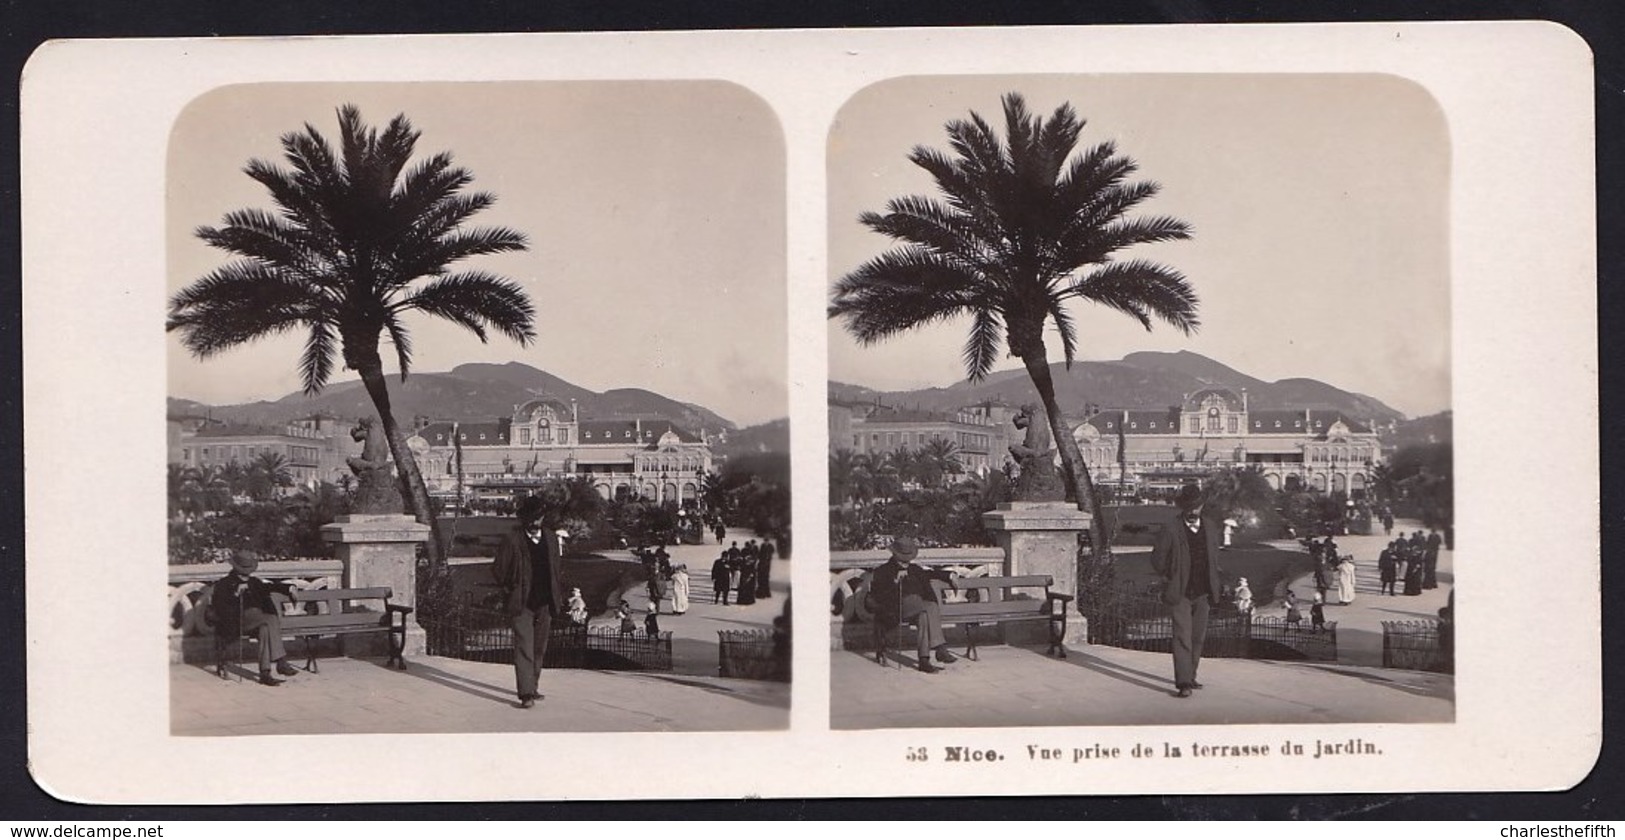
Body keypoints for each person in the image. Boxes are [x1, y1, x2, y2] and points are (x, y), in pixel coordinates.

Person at [1148, 484, 1225, 698]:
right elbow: (1157, 560)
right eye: (1189, 507)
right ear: (1183, 507)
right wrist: (1171, 575)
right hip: (1180, 592)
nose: (1193, 511)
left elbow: (1214, 557)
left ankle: (1190, 675)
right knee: (1182, 636)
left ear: (1202, 506)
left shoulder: (1210, 527)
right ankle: (1183, 683)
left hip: (1204, 591)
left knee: (1198, 637)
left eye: (1197, 506)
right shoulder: (1171, 528)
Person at [492, 495, 565, 709]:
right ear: (525, 520)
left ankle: (532, 686)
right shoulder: (513, 540)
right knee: (524, 646)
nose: (535, 524)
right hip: (521, 603)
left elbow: (556, 568)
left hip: (545, 602)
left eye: (538, 519)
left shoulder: (551, 538)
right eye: (531, 519)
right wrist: (511, 588)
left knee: (539, 648)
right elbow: (498, 570)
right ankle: (525, 693)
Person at [867, 536, 959, 673]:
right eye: (903, 557)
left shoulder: (914, 569)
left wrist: (950, 575)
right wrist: (894, 583)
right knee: (923, 604)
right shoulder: (883, 571)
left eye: (908, 557)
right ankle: (940, 648)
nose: (906, 561)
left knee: (924, 614)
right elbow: (878, 596)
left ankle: (924, 660)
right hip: (896, 609)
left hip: (917, 610)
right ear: (894, 554)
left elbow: (931, 573)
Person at [211, 550, 299, 686]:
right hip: (237, 621)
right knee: (269, 619)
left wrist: (290, 588)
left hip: (258, 622)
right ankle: (281, 662)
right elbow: (220, 608)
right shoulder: (225, 583)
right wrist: (235, 594)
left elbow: (270, 587)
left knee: (265, 629)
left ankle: (265, 673)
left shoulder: (254, 582)